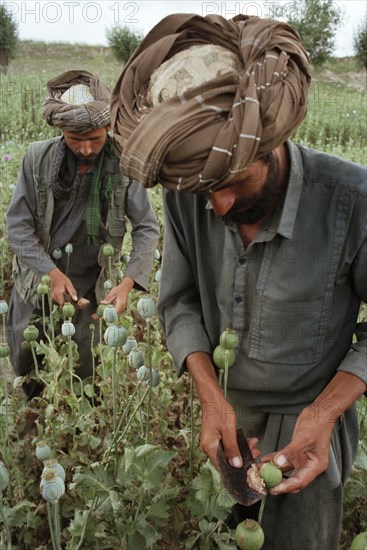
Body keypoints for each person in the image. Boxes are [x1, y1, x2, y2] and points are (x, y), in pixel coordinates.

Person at [109, 13, 367, 550]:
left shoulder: (352, 202)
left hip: (309, 425)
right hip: (225, 421)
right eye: (205, 191)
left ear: (270, 142)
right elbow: (177, 302)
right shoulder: (189, 192)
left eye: (230, 183)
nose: (218, 206)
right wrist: (210, 396)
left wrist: (323, 415)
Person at [6, 70, 160, 399]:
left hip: (94, 281)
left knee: (86, 363)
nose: (87, 149)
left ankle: (79, 424)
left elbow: (147, 227)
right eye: (77, 141)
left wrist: (129, 281)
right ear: (62, 131)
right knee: (27, 354)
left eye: (95, 139)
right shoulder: (37, 159)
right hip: (39, 276)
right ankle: (35, 412)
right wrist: (51, 272)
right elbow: (18, 228)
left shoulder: (124, 164)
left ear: (108, 127)